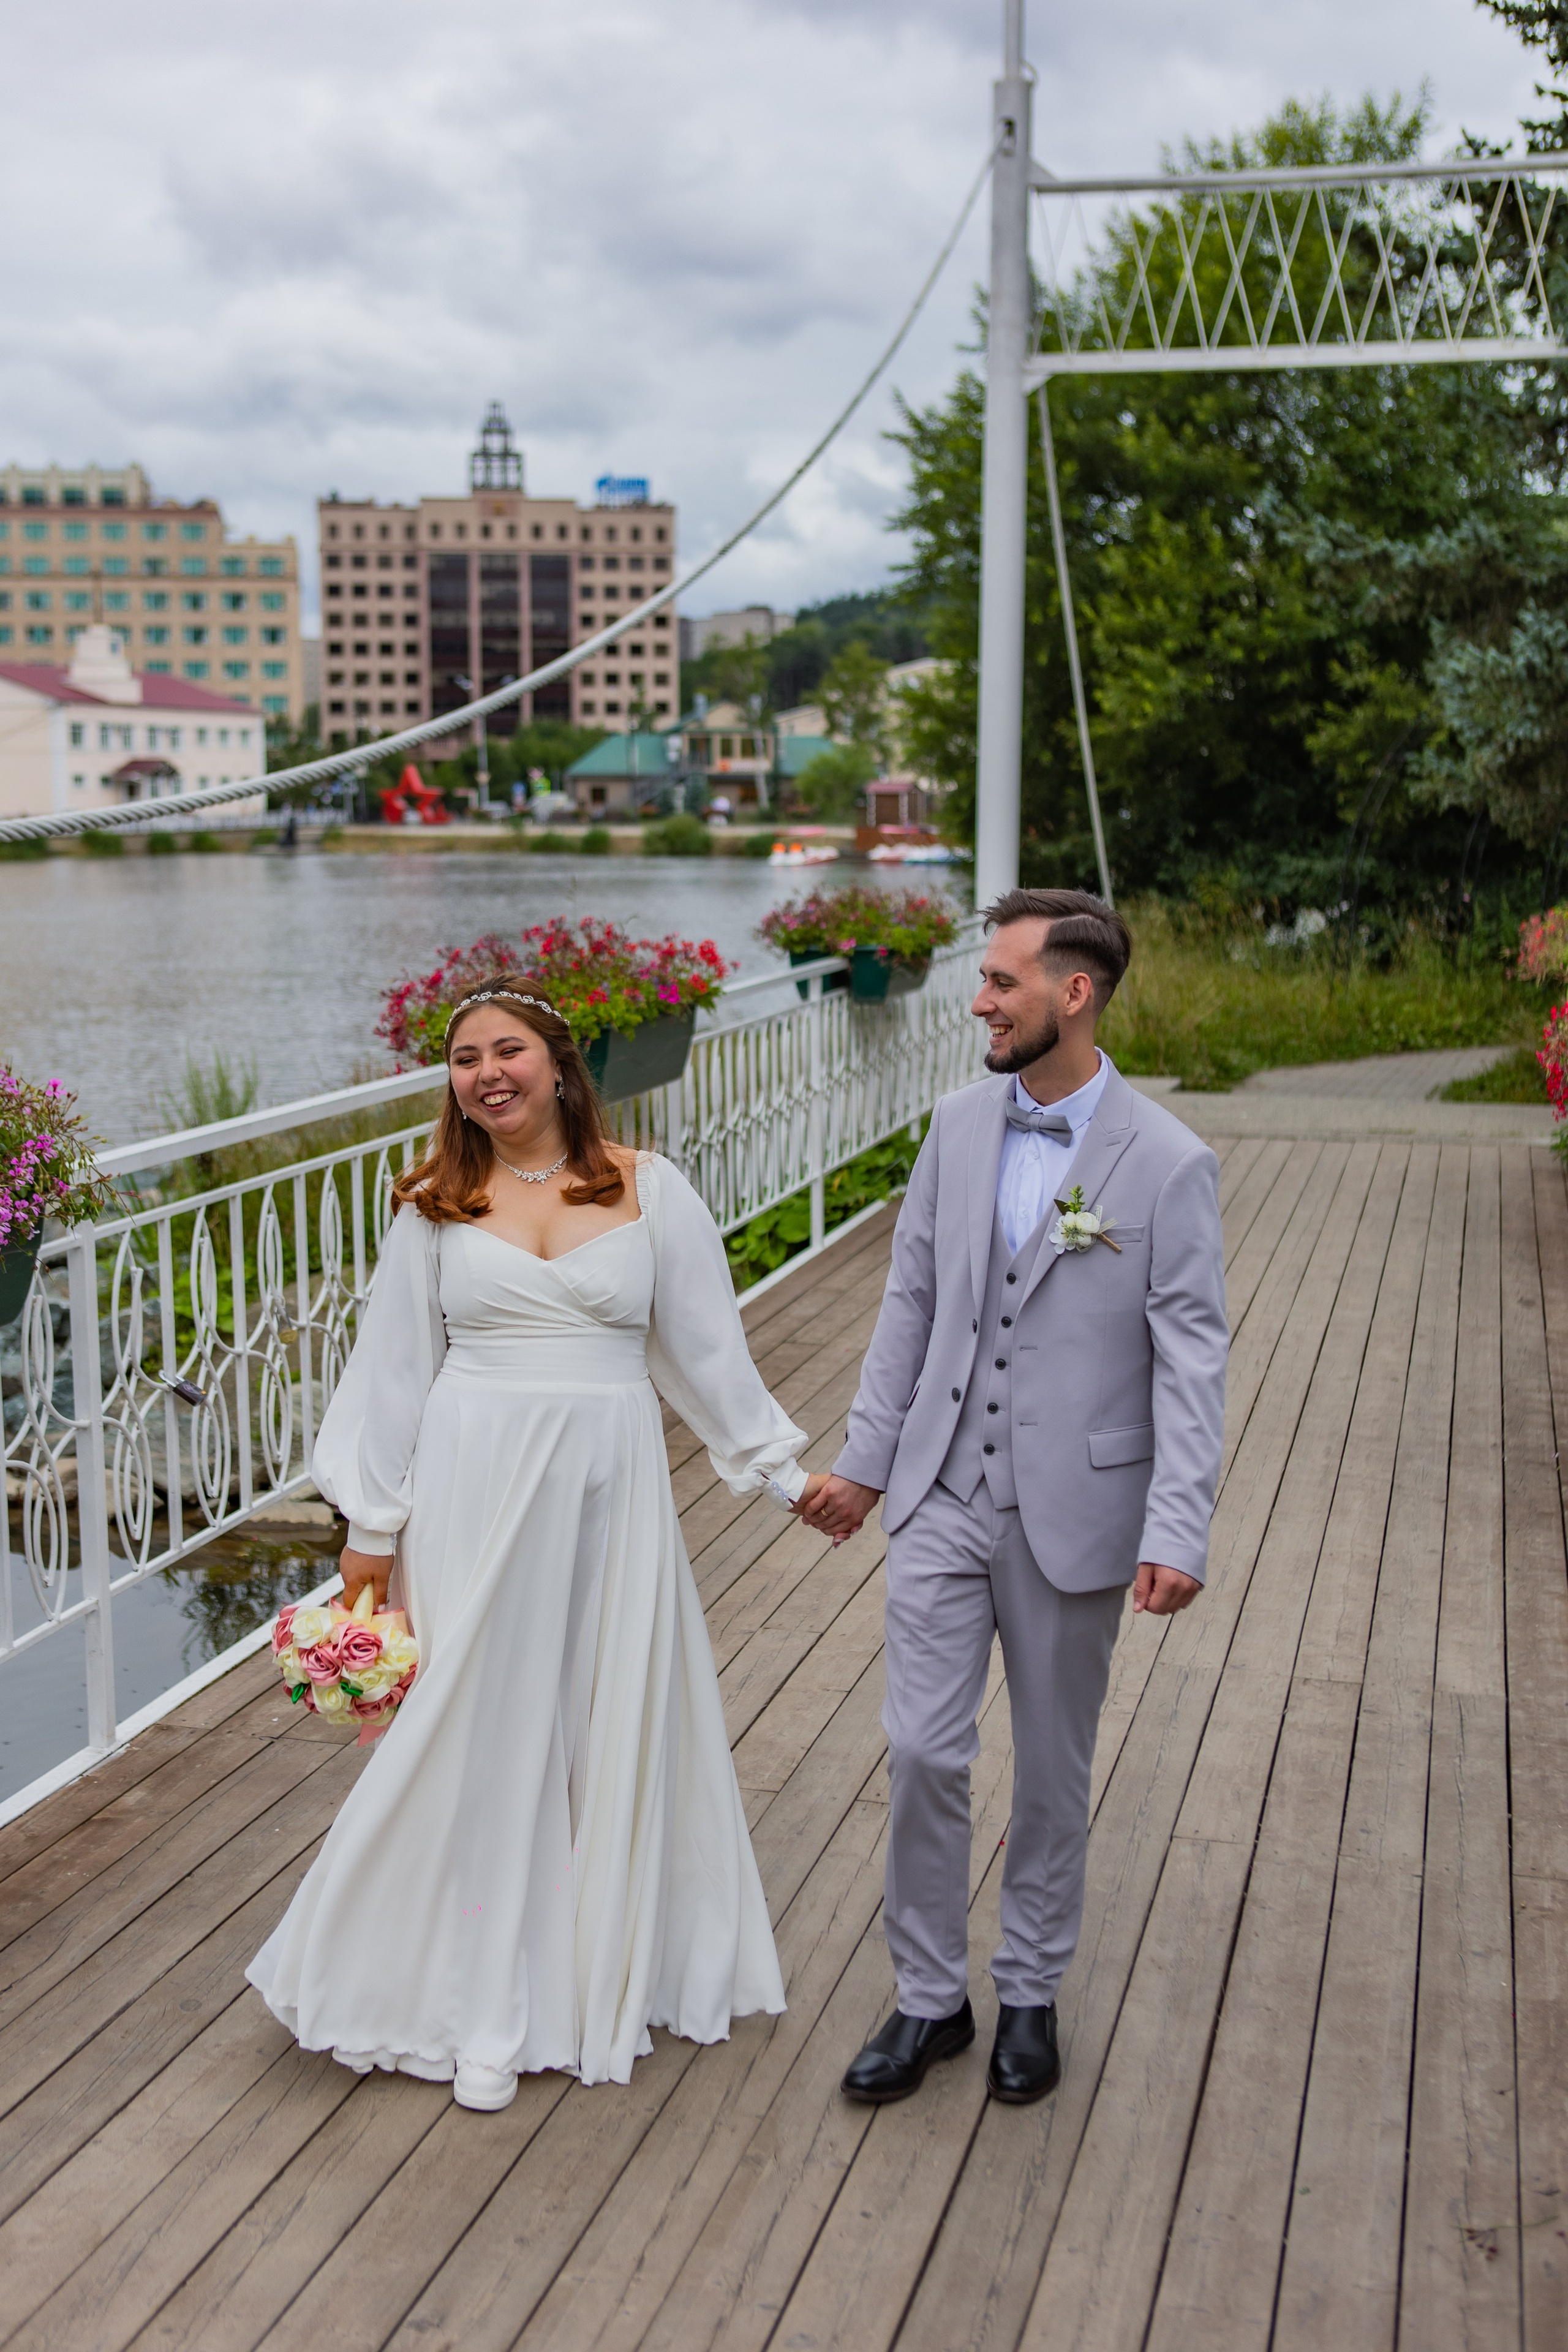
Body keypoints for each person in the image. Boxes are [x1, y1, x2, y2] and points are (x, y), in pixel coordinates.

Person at [248, 976, 826, 2109]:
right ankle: (476, 2006)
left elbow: (706, 1354)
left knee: (596, 1720)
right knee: (481, 1732)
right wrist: (373, 1527)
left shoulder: (652, 1189)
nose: (486, 1075)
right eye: (466, 1060)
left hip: (611, 1492)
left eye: (506, 1051)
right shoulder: (432, 1202)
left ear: (560, 1066)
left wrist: (783, 1475)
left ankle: (594, 1969)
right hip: (473, 1484)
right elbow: (396, 1373)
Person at [802, 889, 1228, 2106]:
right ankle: (929, 1998)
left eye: (999, 981)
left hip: (1074, 1514)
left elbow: (1192, 1360)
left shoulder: (1166, 1161)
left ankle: (1029, 1990)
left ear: (1072, 994)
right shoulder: (953, 1126)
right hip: (939, 1487)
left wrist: (1175, 1526)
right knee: (922, 1752)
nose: (978, 1001)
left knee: (1048, 1767)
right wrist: (864, 1463)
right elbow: (910, 1307)